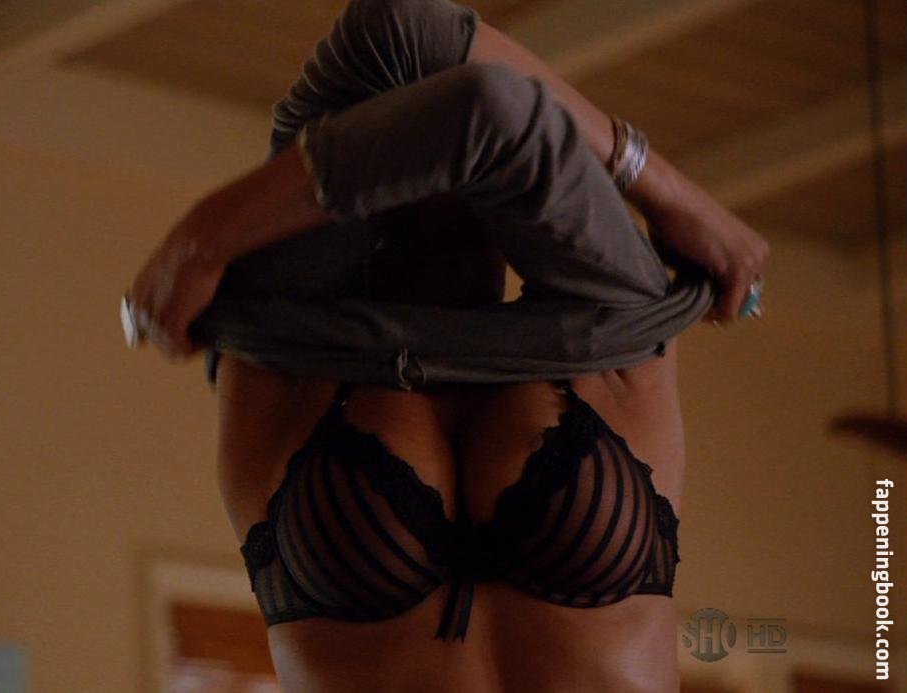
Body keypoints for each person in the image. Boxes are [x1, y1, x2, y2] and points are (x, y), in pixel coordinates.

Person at [125, 0, 769, 690]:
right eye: (419, 153)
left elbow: (429, 58)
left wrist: (208, 238)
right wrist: (675, 197)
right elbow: (475, 104)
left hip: (317, 340)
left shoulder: (278, 336)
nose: (439, 164)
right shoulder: (613, 330)